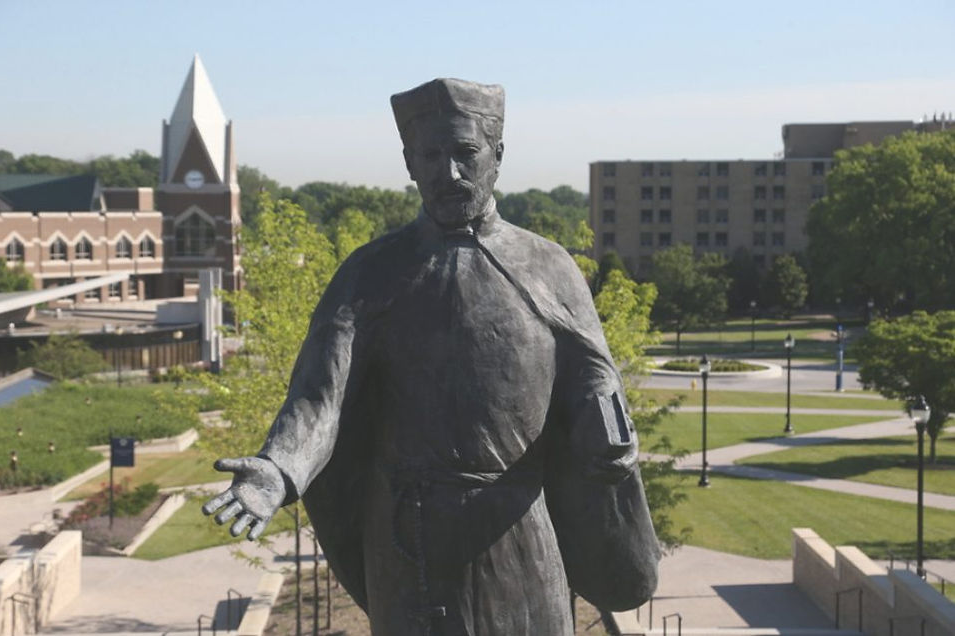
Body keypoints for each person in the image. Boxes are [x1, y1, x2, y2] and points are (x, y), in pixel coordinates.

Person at [203, 78, 659, 635]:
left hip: (519, 536)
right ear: (410, 162)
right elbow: (321, 398)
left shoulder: (549, 266)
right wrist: (279, 468)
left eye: (466, 153)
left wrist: (604, 429)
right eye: (431, 155)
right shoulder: (371, 272)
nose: (449, 173)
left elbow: (597, 383)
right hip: (410, 545)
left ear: (497, 155)